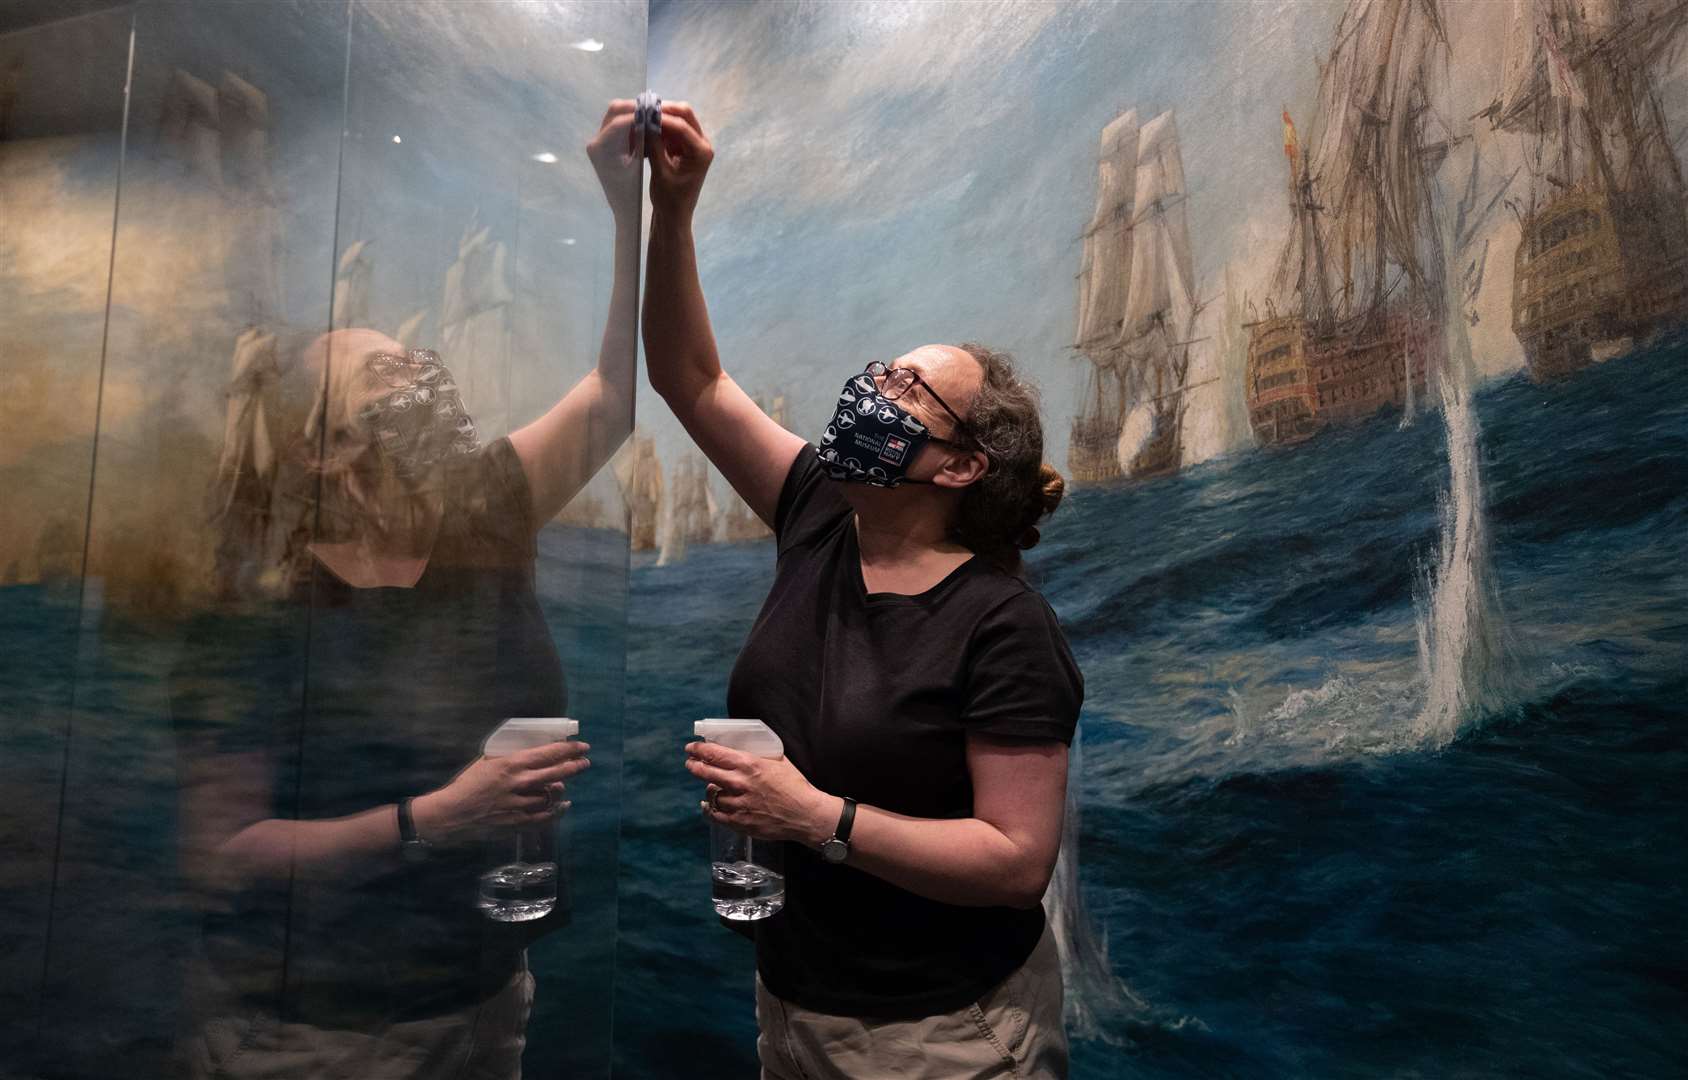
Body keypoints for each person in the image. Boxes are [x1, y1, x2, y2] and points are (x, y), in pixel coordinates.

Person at [170, 102, 643, 1079]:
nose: (424, 377)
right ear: (320, 447)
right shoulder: (256, 606)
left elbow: (611, 396)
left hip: (484, 998)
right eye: (389, 373)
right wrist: (435, 816)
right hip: (309, 1031)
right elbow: (222, 852)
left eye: (420, 361)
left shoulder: (484, 511)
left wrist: (631, 211)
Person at [642, 101, 1083, 1079]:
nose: (870, 391)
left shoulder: (1003, 628)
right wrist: (672, 210)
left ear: (960, 468)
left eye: (905, 392)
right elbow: (690, 379)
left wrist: (814, 818)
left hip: (943, 1036)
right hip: (794, 1007)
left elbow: (1016, 864)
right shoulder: (815, 512)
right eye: (881, 369)